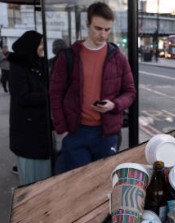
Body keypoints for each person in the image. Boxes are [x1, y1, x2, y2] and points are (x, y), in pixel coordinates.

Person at [50, 2, 136, 173]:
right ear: (87, 24)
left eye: (107, 30)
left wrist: (114, 105)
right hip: (75, 133)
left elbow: (130, 92)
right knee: (79, 186)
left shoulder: (118, 58)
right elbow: (55, 94)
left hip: (106, 134)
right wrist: (63, 131)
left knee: (103, 184)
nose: (103, 34)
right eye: (98, 28)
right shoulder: (69, 56)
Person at [8, 30, 52, 185]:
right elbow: (22, 97)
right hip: (28, 132)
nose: (43, 47)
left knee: (43, 175)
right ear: (31, 45)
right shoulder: (18, 67)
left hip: (39, 130)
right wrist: (50, 96)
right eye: (40, 44)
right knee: (31, 178)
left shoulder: (38, 63)